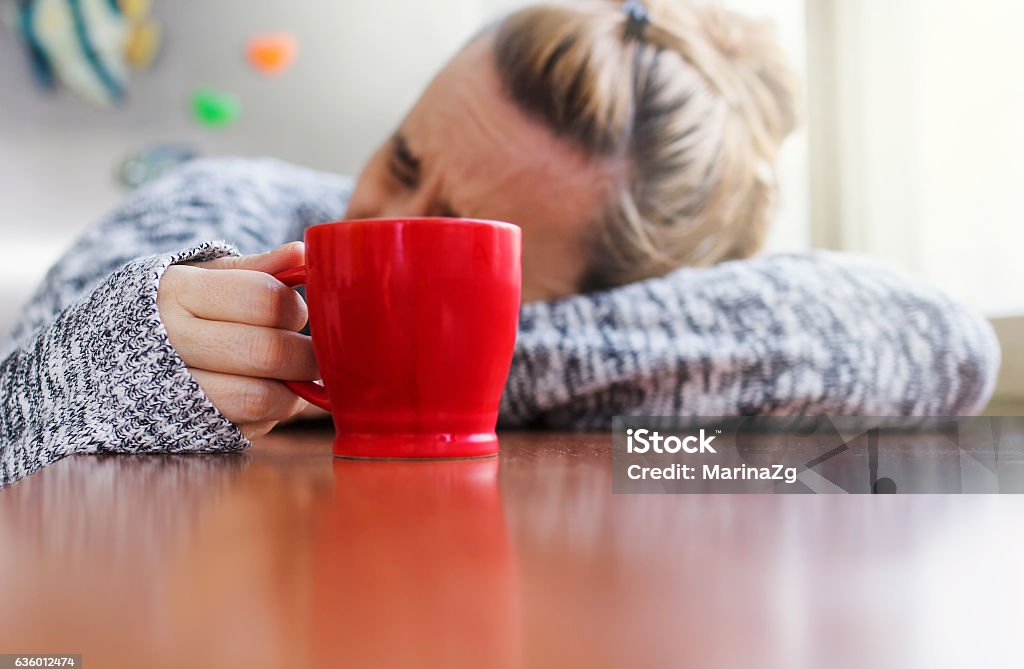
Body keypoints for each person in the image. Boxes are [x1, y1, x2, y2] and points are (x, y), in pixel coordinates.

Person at [0, 0, 1000, 487]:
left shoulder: (639, 332)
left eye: (455, 234)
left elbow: (943, 341)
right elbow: (22, 407)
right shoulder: (228, 202)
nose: (370, 220)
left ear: (625, 298)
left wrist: (450, 379)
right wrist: (125, 355)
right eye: (400, 156)